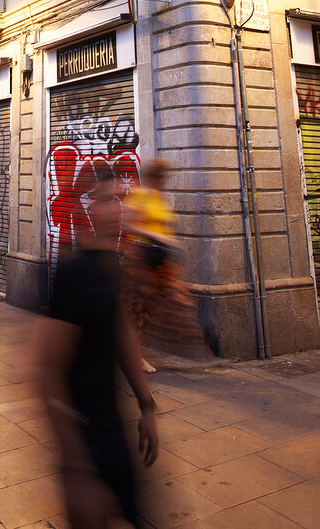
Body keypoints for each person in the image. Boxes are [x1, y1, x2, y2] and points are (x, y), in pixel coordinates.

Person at [39, 168, 159, 529]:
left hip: (113, 428)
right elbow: (47, 374)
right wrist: (77, 467)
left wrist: (147, 404)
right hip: (86, 437)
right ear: (82, 209)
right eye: (107, 199)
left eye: (118, 198)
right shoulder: (73, 275)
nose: (117, 208)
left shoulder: (110, 263)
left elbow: (121, 332)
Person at [124, 157, 209, 371]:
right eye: (163, 176)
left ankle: (192, 350)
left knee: (173, 303)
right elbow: (128, 225)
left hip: (160, 261)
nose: (166, 180)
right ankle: (135, 356)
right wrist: (157, 237)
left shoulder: (156, 197)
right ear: (155, 176)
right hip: (143, 259)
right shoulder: (140, 195)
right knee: (139, 312)